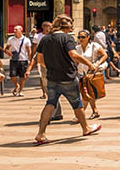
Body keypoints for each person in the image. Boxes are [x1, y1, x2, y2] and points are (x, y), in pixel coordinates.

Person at [34, 14, 101, 145]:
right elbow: (73, 54)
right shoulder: (67, 38)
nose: (72, 27)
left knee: (50, 103)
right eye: (71, 24)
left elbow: (40, 60)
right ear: (65, 25)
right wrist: (90, 64)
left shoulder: (45, 39)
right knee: (77, 104)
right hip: (67, 77)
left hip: (52, 77)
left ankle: (41, 134)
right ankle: (86, 128)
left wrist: (52, 66)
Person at [75, 30, 108, 120]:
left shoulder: (94, 46)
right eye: (79, 37)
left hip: (91, 73)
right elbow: (76, 61)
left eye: (83, 37)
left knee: (85, 93)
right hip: (81, 73)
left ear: (88, 37)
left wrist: (97, 64)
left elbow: (105, 55)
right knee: (88, 93)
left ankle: (79, 116)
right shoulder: (77, 48)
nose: (81, 39)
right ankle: (95, 111)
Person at [6, 25, 32, 97]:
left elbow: (29, 50)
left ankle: (20, 91)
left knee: (22, 77)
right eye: (14, 30)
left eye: (16, 29)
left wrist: (30, 60)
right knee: (12, 75)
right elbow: (6, 48)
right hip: (13, 59)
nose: (14, 31)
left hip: (23, 59)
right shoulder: (10, 39)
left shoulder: (26, 40)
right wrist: (8, 52)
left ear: (21, 30)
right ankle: (16, 85)